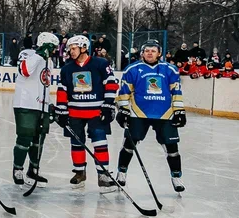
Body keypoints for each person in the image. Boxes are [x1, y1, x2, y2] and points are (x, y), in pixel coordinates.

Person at [114, 41, 187, 192]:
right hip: (138, 113)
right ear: (142, 53)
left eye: (153, 51)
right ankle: (121, 172)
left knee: (172, 148)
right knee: (129, 144)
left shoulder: (170, 70)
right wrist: (123, 109)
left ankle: (176, 176)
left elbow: (176, 92)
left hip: (165, 113)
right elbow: (124, 92)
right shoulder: (133, 69)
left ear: (159, 53)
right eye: (146, 50)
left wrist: (179, 110)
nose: (149, 53)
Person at [56, 34, 118, 189]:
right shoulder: (67, 68)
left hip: (96, 112)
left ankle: (103, 175)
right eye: (70, 48)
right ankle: (79, 172)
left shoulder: (101, 63)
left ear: (84, 48)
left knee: (100, 142)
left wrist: (108, 105)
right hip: (75, 112)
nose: (71, 51)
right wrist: (62, 110)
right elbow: (62, 90)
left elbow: (110, 84)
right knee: (76, 142)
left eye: (74, 48)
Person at [11, 32, 58, 187]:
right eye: (52, 47)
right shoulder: (27, 54)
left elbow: (44, 83)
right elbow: (24, 71)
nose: (54, 50)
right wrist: (39, 54)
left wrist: (49, 104)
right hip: (25, 103)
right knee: (25, 137)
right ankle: (18, 169)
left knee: (39, 139)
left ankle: (33, 170)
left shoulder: (49, 61)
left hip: (41, 105)